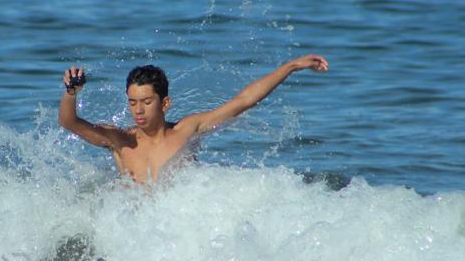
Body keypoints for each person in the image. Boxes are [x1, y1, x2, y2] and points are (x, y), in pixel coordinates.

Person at [58, 54, 330, 185]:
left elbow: (243, 102)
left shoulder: (187, 130)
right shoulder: (121, 141)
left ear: (165, 103)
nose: (138, 110)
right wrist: (71, 93)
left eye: (146, 102)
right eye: (132, 103)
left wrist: (291, 67)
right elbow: (70, 122)